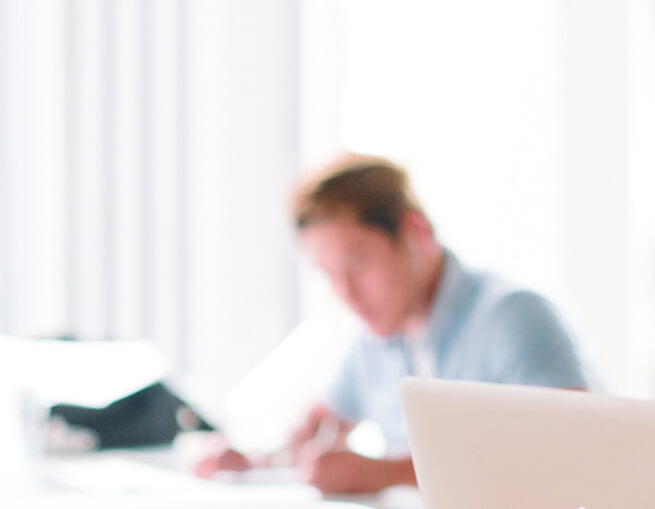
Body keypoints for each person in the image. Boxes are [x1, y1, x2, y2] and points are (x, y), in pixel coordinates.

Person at [192, 153, 593, 494]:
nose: (345, 293)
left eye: (357, 265)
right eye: (328, 274)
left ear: (416, 231)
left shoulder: (512, 315)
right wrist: (254, 459)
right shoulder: (376, 339)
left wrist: (384, 473)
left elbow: (570, 449)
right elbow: (318, 428)